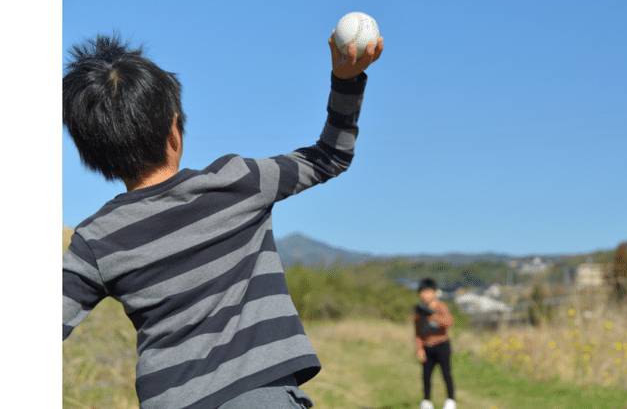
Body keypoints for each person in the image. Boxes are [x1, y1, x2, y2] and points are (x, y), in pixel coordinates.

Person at [61, 30, 383, 409]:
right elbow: (330, 156)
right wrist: (347, 80)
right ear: (174, 130)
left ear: (90, 150)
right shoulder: (239, 181)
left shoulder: (96, 240)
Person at [414, 278, 456, 409]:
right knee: (426, 376)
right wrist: (419, 349)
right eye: (422, 292)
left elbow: (449, 322)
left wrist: (434, 316)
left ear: (434, 293)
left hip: (442, 345)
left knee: (446, 374)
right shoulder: (419, 311)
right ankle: (426, 402)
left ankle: (450, 401)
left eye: (428, 292)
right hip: (427, 347)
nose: (425, 295)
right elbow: (418, 332)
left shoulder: (440, 306)